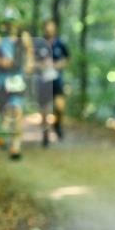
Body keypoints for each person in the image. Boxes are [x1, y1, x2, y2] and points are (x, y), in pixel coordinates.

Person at [0, 9, 34, 160]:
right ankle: (1, 134)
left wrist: (28, 66)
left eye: (14, 21)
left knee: (16, 111)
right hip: (1, 82)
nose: (11, 25)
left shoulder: (24, 38)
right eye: (9, 22)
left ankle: (15, 147)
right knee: (4, 114)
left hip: (17, 81)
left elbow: (29, 57)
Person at [34, 18, 70, 147]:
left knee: (59, 106)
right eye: (47, 26)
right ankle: (45, 134)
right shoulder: (39, 44)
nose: (49, 29)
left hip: (57, 79)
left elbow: (67, 58)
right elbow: (31, 61)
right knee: (44, 108)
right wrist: (41, 65)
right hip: (43, 80)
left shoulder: (60, 43)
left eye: (51, 26)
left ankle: (57, 125)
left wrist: (57, 65)